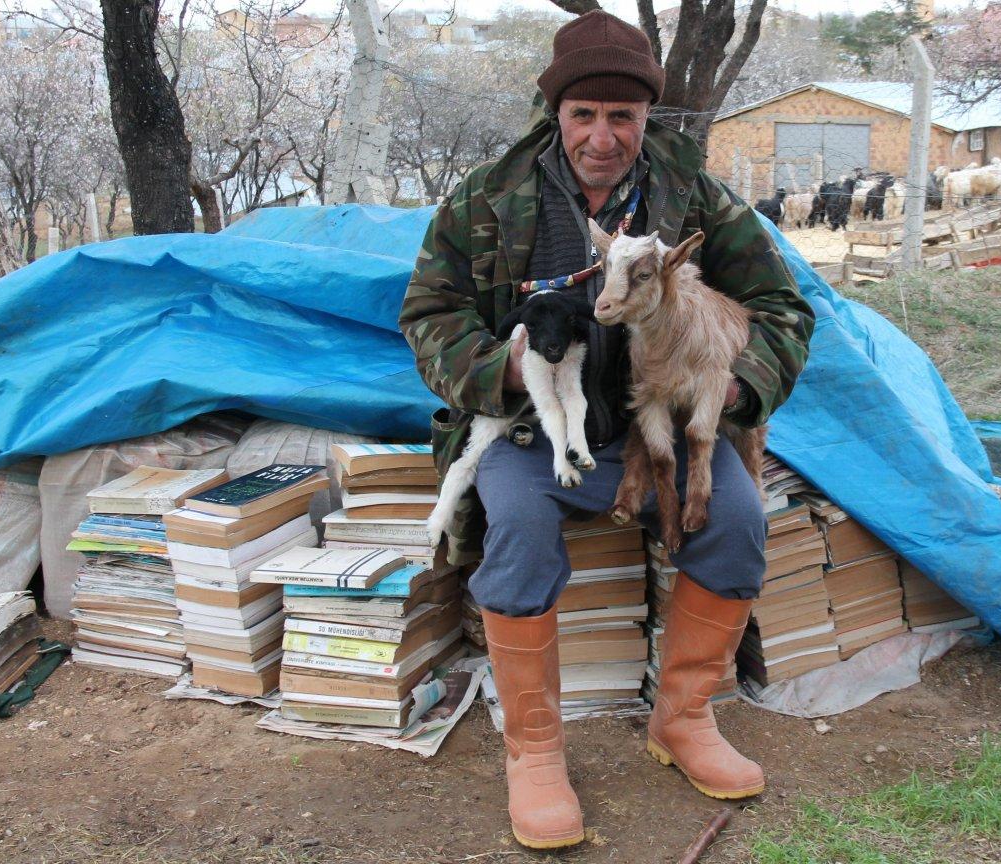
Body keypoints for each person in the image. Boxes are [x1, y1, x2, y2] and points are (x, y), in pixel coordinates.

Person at [399, 10, 815, 850]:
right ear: (555, 112)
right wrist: (506, 369)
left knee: (735, 522)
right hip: (533, 428)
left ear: (645, 119)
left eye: (622, 117)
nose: (602, 135)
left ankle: (684, 718)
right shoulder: (487, 198)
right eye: (584, 114)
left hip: (659, 428)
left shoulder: (693, 194)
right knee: (515, 525)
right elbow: (428, 315)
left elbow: (782, 308)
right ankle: (537, 750)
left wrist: (736, 386)